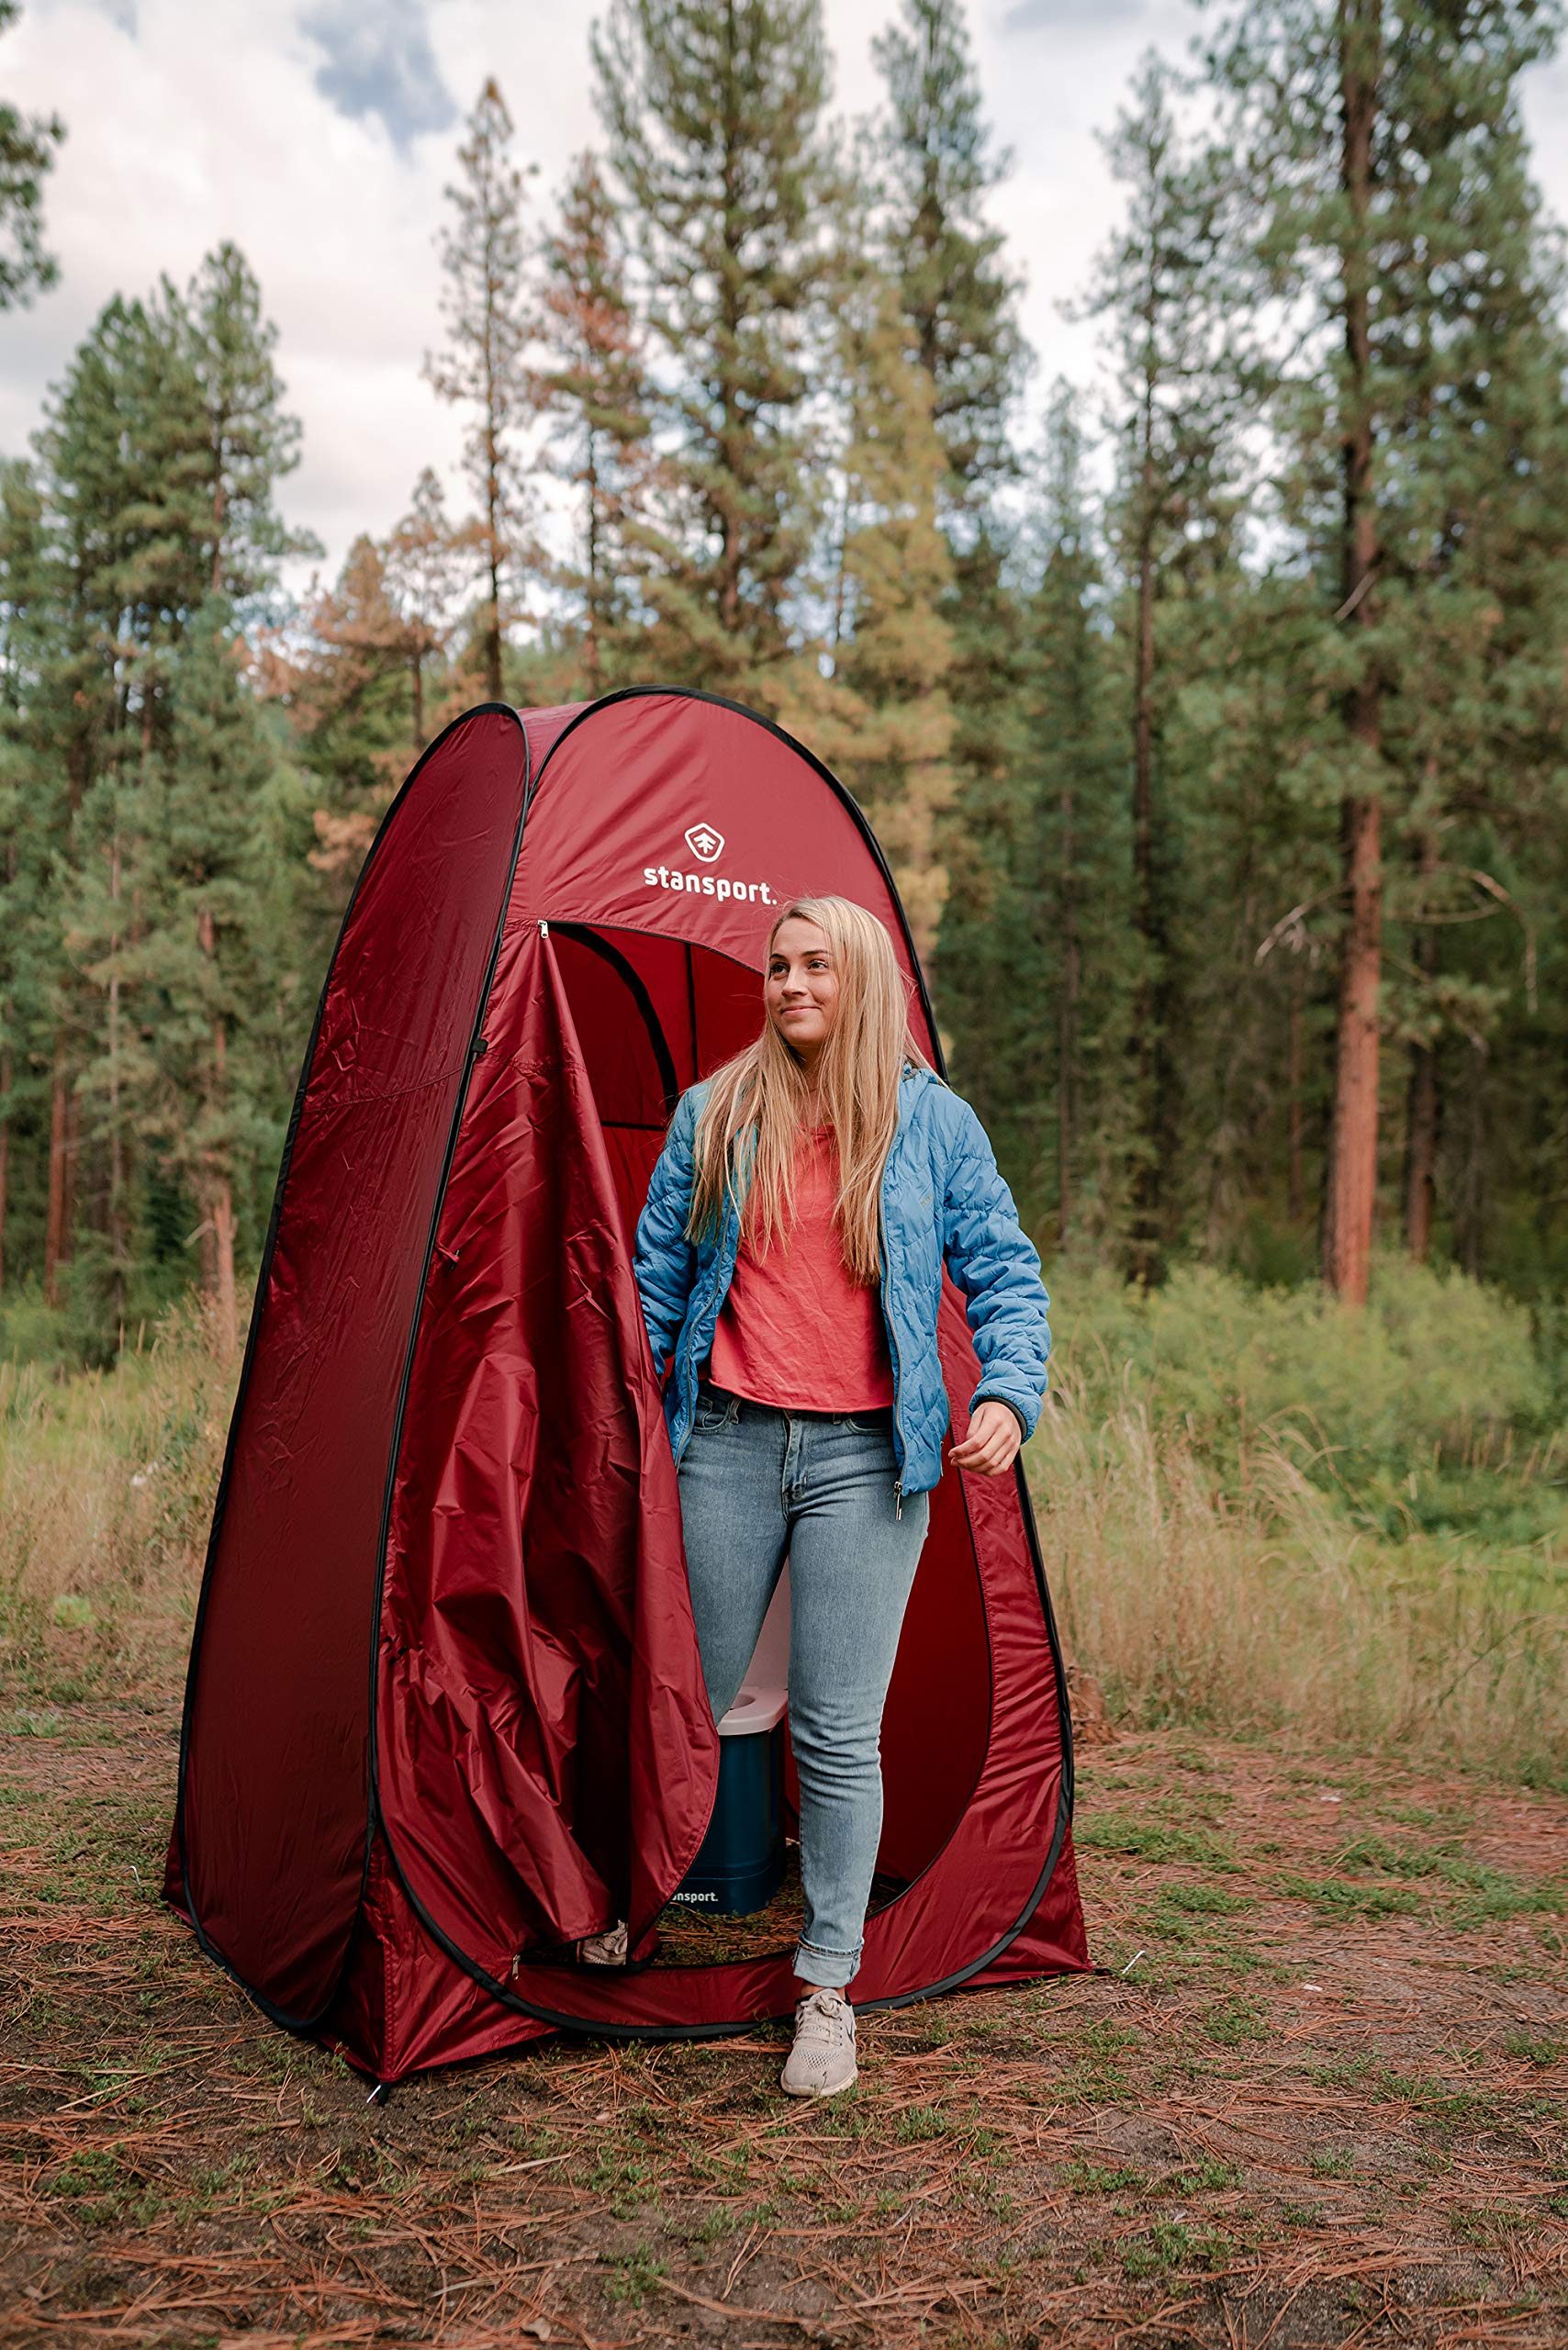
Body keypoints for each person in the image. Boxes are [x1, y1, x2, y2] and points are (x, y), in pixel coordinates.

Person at [589, 894, 1051, 2100]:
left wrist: (1008, 1391)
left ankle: (828, 1990)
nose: (791, 986)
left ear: (863, 981)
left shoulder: (932, 1126)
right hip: (728, 1446)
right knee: (680, 1702)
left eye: (815, 968)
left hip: (865, 1461)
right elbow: (654, 1282)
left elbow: (1005, 1271)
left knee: (839, 1730)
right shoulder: (715, 1113)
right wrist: (636, 1414)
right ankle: (622, 1912)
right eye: (778, 968)